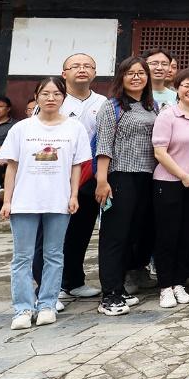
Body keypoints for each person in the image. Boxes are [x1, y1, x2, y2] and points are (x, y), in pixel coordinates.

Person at [0, 77, 90, 330]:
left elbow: (76, 166)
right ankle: (23, 308)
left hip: (58, 200)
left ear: (64, 98)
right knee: (22, 257)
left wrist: (73, 195)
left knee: (54, 254)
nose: (51, 98)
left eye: (56, 94)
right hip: (24, 201)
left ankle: (47, 304)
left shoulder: (74, 128)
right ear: (37, 96)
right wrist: (8, 200)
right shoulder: (22, 128)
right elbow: (12, 167)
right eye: (45, 93)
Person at [94, 56, 158, 317]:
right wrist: (102, 180)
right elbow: (103, 145)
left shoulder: (152, 106)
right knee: (115, 236)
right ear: (121, 77)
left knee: (133, 234)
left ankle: (119, 287)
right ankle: (109, 294)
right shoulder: (112, 107)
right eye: (130, 73)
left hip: (147, 176)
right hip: (119, 176)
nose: (136, 77)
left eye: (141, 73)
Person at [151, 68, 189, 309]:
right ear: (177, 87)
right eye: (187, 85)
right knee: (168, 236)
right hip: (168, 183)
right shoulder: (167, 115)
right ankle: (165, 287)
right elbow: (160, 152)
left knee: (188, 235)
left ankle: (179, 283)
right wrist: (183, 175)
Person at [56, 53, 106, 299]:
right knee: (55, 232)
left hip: (91, 174)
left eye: (88, 66)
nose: (82, 69)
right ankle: (52, 285)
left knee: (81, 230)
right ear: (64, 73)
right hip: (59, 173)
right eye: (75, 66)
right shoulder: (56, 99)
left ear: (95, 72)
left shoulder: (103, 102)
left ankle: (73, 281)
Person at [0, 94, 13, 204]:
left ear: (8, 109)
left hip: (2, 155)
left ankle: (0, 190)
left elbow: (15, 145)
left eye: (0, 106)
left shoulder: (15, 125)